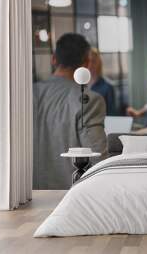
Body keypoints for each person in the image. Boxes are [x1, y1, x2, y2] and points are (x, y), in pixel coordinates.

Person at [33, 33, 107, 190]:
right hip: (71, 199)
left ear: (54, 59)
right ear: (86, 63)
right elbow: (98, 161)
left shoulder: (27, 94)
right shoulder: (89, 100)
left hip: (25, 198)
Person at [88, 48, 118, 116]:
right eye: (87, 61)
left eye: (93, 61)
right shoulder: (77, 86)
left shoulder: (108, 87)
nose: (90, 65)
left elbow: (112, 114)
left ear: (99, 63)